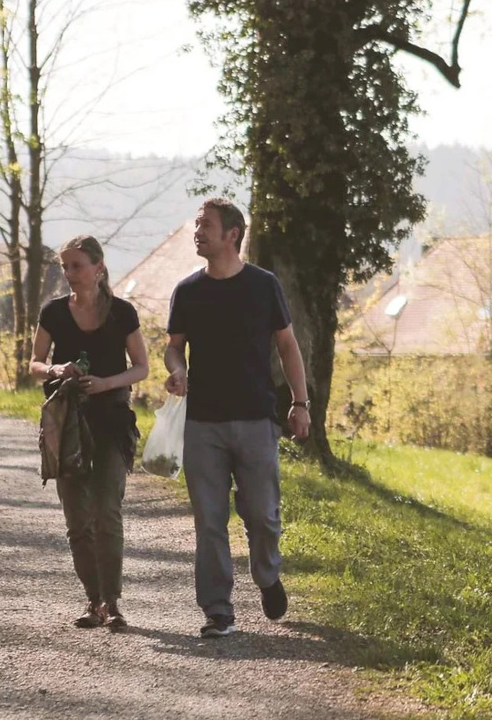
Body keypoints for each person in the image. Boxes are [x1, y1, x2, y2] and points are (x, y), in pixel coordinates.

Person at [164, 198, 310, 639]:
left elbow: (287, 346)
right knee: (209, 520)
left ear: (232, 234)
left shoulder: (264, 286)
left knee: (262, 515)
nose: (197, 231)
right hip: (202, 423)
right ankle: (218, 609)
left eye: (205, 225)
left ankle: (267, 576)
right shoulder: (187, 291)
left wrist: (300, 403)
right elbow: (174, 345)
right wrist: (178, 368)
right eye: (196, 224)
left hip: (256, 419)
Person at [30, 235, 148, 629]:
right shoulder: (54, 313)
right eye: (64, 266)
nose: (68, 273)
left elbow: (141, 368)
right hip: (65, 425)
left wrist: (107, 383)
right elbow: (34, 363)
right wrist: (56, 369)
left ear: (98, 268)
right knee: (78, 520)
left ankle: (113, 602)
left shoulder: (123, 313)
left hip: (112, 422)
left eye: (76, 265)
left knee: (106, 512)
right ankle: (93, 600)